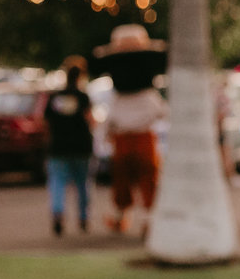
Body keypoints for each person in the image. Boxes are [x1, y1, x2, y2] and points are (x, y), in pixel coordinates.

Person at [91, 24, 168, 236]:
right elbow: (162, 113)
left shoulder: (120, 98)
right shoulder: (148, 97)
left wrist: (103, 138)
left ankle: (126, 217)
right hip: (142, 138)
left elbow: (108, 121)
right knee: (145, 180)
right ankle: (146, 219)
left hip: (125, 139)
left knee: (126, 182)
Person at [43, 56, 95, 236]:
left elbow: (46, 121)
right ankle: (83, 218)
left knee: (57, 182)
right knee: (83, 184)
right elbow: (91, 120)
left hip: (58, 146)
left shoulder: (55, 96)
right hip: (81, 146)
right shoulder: (83, 97)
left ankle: (58, 214)